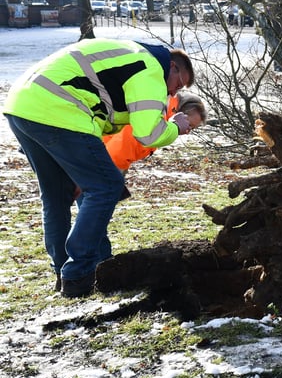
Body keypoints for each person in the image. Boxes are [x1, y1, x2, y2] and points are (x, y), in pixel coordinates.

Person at [2, 39, 195, 298]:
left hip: (23, 106)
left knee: (58, 195)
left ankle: (63, 273)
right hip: (59, 109)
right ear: (171, 67)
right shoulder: (150, 67)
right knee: (106, 186)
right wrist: (176, 126)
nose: (172, 94)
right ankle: (81, 272)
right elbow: (148, 133)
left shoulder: (127, 55)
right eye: (177, 85)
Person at [103, 92, 207, 173]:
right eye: (189, 125)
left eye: (192, 129)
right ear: (179, 115)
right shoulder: (154, 121)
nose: (187, 132)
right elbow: (115, 155)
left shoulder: (161, 123)